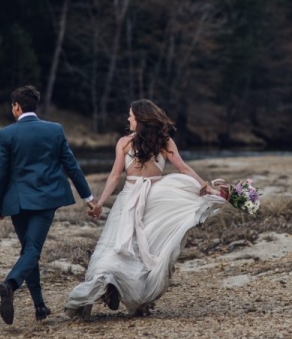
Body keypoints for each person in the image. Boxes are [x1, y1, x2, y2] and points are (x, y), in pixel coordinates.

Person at [64, 99, 226, 319]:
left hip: (129, 198)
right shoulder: (165, 142)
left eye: (131, 115)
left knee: (115, 246)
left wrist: (100, 203)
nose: (128, 119)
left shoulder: (124, 143)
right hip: (156, 199)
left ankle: (104, 285)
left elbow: (114, 176)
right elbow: (183, 168)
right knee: (146, 251)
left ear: (140, 119)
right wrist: (205, 188)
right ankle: (134, 298)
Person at [0, 85, 95, 325]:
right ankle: (11, 284)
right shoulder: (54, 130)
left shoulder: (5, 134)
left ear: (16, 107)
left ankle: (39, 306)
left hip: (18, 202)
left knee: (29, 249)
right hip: (46, 199)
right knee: (32, 250)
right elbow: (72, 166)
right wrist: (88, 198)